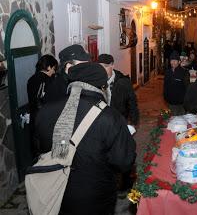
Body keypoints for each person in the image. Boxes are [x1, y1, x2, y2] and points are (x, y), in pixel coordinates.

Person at [35, 62, 136, 215]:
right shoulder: (110, 117)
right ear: (103, 88)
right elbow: (123, 161)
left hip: (54, 192)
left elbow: (39, 148)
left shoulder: (45, 111)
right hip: (95, 198)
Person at [27, 54, 58, 157]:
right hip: (46, 121)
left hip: (34, 119)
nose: (54, 72)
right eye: (53, 69)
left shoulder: (31, 79)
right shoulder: (49, 81)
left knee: (37, 152)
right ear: (48, 67)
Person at [97, 54, 139, 126]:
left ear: (112, 65)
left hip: (119, 120)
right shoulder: (95, 81)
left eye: (105, 66)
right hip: (101, 121)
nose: (102, 69)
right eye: (100, 67)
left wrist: (134, 122)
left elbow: (132, 102)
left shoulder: (123, 82)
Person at [163, 51, 190, 115]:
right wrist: (165, 97)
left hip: (180, 103)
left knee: (181, 121)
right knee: (171, 120)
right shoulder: (168, 72)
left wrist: (185, 101)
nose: (173, 62)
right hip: (170, 102)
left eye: (175, 60)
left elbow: (187, 87)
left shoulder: (184, 72)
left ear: (179, 61)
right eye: (172, 60)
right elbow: (165, 85)